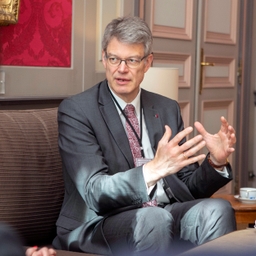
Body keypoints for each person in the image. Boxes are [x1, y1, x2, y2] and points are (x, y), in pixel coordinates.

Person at [52, 16, 237, 256]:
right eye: (114, 58)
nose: (121, 69)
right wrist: (152, 170)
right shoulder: (77, 111)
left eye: (131, 60)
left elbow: (188, 188)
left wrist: (216, 162)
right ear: (103, 58)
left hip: (162, 212)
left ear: (148, 62)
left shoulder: (166, 108)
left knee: (218, 209)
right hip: (101, 221)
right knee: (154, 219)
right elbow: (95, 191)